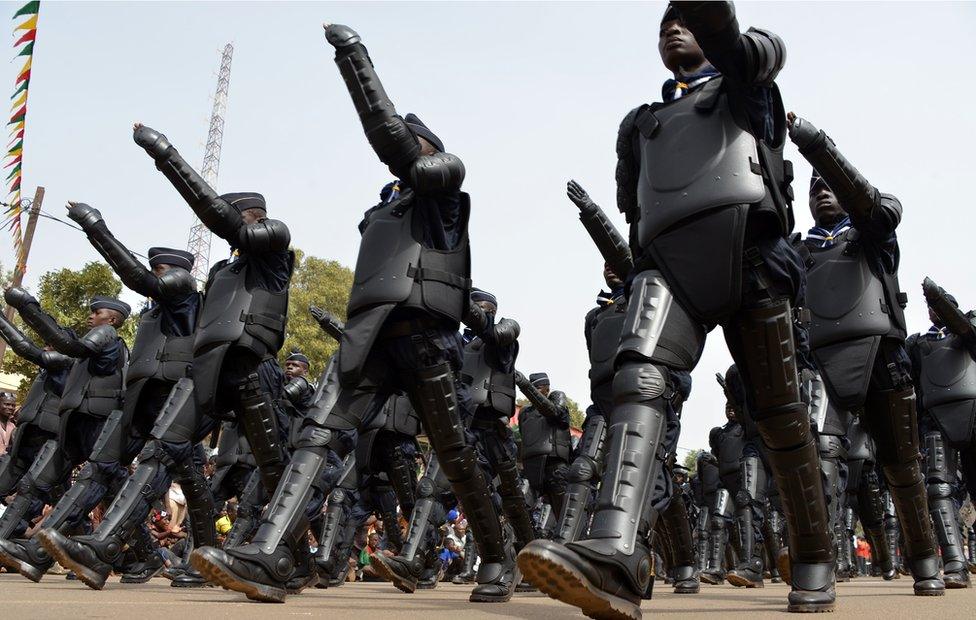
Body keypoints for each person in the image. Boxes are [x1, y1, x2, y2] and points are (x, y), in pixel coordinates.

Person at [518, 3, 836, 615]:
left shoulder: (748, 87)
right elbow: (635, 209)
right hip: (670, 266)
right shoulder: (641, 124)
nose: (672, 27)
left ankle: (815, 554)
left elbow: (754, 50)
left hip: (750, 255)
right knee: (639, 377)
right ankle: (615, 553)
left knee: (778, 416)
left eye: (685, 18)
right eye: (663, 21)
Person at [188, 23, 518, 605]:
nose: (399, 152)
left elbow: (390, 137)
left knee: (454, 455)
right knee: (317, 436)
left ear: (428, 149)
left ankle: (496, 556)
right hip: (368, 339)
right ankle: (270, 552)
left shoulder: (443, 187)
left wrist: (353, 58)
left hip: (425, 341)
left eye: (409, 143)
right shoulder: (386, 209)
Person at [787, 112, 943, 595]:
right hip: (822, 365)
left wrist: (819, 150)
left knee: (901, 467)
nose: (822, 193)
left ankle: (924, 560)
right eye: (814, 190)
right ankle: (816, 563)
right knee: (816, 460)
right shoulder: (795, 250)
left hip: (881, 356)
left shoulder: (872, 231)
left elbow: (881, 209)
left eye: (829, 186)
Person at [35, 204, 203, 589]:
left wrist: (95, 227)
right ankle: (117, 554)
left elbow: (136, 276)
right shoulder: (154, 312)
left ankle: (122, 551)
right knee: (108, 469)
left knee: (185, 480)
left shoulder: (182, 294)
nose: (156, 277)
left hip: (173, 397)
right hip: (143, 398)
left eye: (160, 270)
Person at [0, 292, 129, 582]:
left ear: (112, 318)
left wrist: (27, 307)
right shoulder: (83, 355)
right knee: (46, 485)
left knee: (104, 486)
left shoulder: (104, 338)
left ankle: (136, 555)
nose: (91, 315)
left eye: (97, 311)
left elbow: (30, 348)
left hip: (93, 424)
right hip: (76, 424)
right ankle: (39, 549)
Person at [905, 279, 976, 588]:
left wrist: (942, 300)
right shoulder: (918, 344)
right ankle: (954, 563)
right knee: (938, 489)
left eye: (941, 305)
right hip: (935, 419)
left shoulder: (968, 327)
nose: (935, 310)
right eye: (932, 306)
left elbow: (968, 332)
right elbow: (912, 388)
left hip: (973, 411)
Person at [0, 316, 72, 541]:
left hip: (49, 442)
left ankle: (20, 535)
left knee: (51, 495)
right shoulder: (48, 369)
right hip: (27, 438)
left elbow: (22, 346)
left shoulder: (64, 364)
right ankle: (17, 533)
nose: (46, 346)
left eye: (52, 343)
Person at [516, 371, 571, 534]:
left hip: (554, 468)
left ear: (547, 389)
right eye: (536, 388)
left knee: (564, 518)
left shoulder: (557, 400)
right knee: (520, 511)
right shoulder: (525, 413)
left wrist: (525, 386)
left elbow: (553, 412)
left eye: (541, 387)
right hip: (532, 469)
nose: (539, 390)